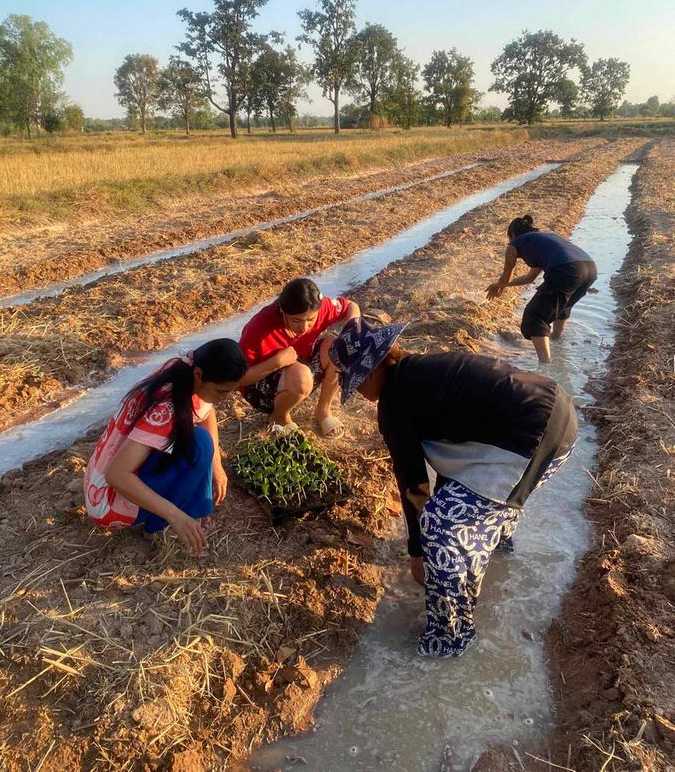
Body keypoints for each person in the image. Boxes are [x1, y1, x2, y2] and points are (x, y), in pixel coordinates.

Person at [329, 318, 578, 658]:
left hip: (529, 436)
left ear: (370, 373)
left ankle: (450, 637)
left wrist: (419, 552)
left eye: (355, 384)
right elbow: (457, 460)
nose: (359, 393)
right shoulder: (421, 370)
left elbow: (413, 483)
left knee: (440, 527)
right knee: (479, 503)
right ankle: (497, 547)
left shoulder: (395, 403)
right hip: (559, 414)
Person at [84, 339, 247, 555]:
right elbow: (117, 475)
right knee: (199, 444)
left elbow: (207, 409)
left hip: (98, 481)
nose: (224, 399)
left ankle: (190, 511)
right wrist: (175, 515)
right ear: (199, 374)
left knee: (202, 445)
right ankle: (160, 527)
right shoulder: (168, 410)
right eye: (220, 392)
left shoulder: (180, 370)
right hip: (108, 503)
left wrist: (217, 465)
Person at [239, 278, 360, 438]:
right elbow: (238, 379)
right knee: (300, 375)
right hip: (264, 388)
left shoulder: (322, 308)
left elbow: (351, 306)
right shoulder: (258, 328)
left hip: (300, 368)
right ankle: (279, 416)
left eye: (311, 320)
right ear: (282, 311)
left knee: (339, 346)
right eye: (296, 320)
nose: (304, 327)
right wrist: (276, 362)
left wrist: (354, 327)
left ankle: (323, 410)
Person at [486, 214, 597, 363]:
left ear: (511, 235)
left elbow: (506, 276)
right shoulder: (540, 240)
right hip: (589, 269)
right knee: (562, 306)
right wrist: (505, 284)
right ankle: (556, 341)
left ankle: (546, 365)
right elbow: (528, 278)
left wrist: (498, 285)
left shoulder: (514, 244)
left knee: (534, 316)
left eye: (509, 238)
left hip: (566, 269)